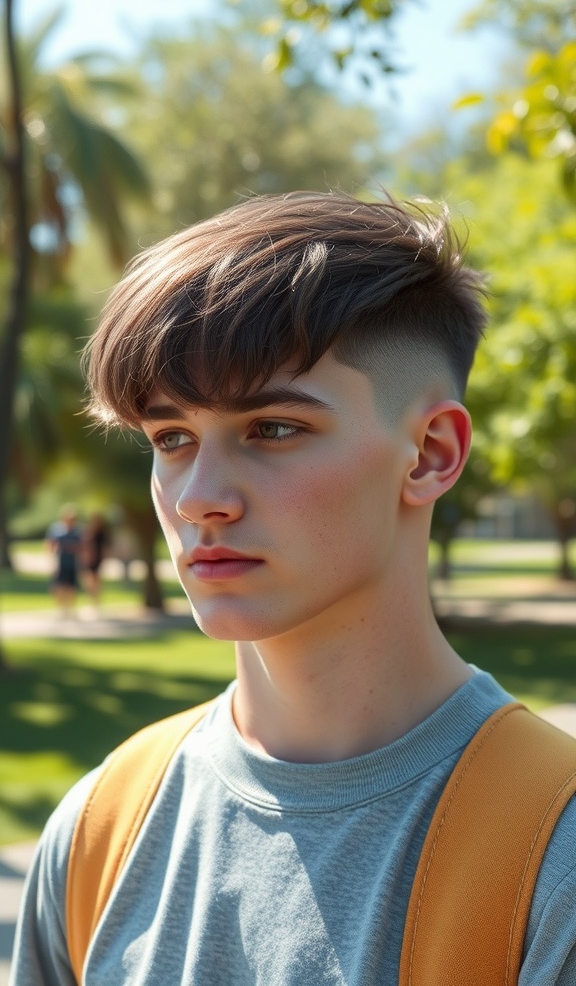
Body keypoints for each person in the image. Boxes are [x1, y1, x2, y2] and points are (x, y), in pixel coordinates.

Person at [10, 192, 576, 984]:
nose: (200, 496)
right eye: (171, 438)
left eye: (272, 428)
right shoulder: (101, 827)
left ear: (429, 453)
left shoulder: (552, 857)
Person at [45, 505, 83, 617]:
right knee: (58, 586)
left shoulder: (78, 531)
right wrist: (50, 560)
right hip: (59, 561)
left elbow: (82, 547)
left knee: (72, 587)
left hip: (73, 562)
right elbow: (50, 545)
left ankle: (71, 609)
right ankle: (61, 609)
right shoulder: (56, 530)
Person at [82, 513, 109, 607]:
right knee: (88, 580)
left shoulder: (102, 534)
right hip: (89, 560)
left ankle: (96, 601)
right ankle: (91, 600)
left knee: (96, 580)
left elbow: (105, 548)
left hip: (97, 559)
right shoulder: (88, 533)